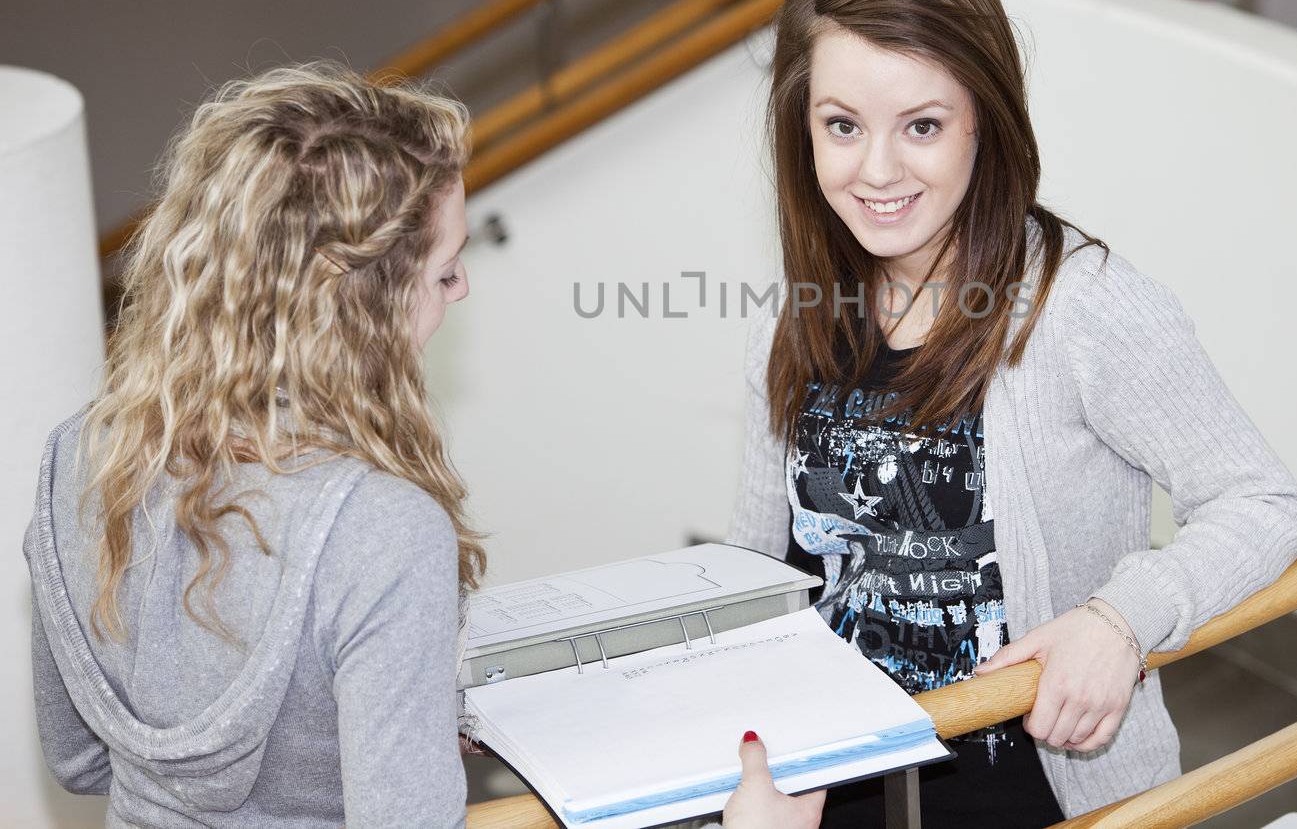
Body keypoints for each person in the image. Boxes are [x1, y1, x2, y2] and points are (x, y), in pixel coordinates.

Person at [25, 64, 822, 828]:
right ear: (359, 309)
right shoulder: (378, 528)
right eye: (444, 273)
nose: (463, 287)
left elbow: (81, 761)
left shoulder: (78, 456)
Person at [728, 0, 1297, 825]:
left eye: (922, 124)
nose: (876, 170)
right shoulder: (809, 306)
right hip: (827, 786)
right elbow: (765, 568)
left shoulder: (1083, 306)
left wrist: (1120, 619)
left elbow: (1264, 503)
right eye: (841, 125)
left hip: (1031, 792)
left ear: (985, 121)